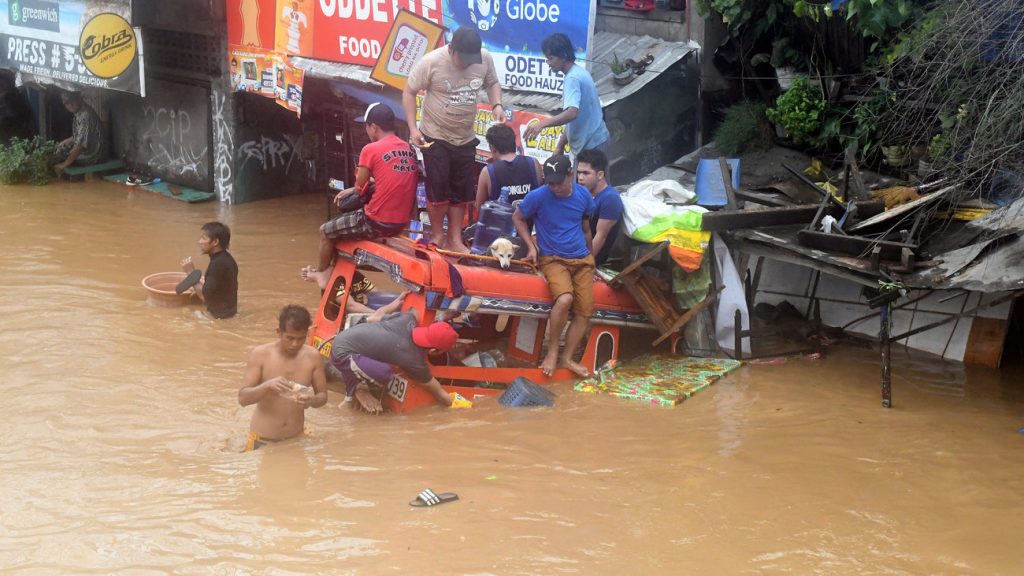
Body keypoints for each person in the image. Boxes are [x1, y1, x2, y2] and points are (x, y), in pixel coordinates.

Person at [301, 102, 418, 306]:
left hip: (374, 221)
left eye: (367, 127)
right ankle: (345, 283)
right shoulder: (408, 149)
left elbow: (360, 186)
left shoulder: (370, 149)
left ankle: (321, 273)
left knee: (325, 231)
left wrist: (355, 189)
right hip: (401, 223)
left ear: (373, 127)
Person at [403, 27, 503, 253]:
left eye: (471, 60)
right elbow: (408, 92)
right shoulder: (431, 62)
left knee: (461, 190)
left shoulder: (484, 58)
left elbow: (493, 83)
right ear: (451, 50)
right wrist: (412, 128)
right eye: (463, 59)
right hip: (435, 135)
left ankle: (455, 239)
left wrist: (496, 104)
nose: (467, 64)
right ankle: (438, 236)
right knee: (438, 188)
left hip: (465, 137)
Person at [513, 155, 595, 378]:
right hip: (553, 259)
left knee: (584, 313)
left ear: (570, 174)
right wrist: (531, 247)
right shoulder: (538, 196)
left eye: (558, 181)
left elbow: (586, 229)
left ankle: (567, 358)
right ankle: (552, 351)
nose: (554, 187)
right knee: (565, 299)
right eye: (550, 182)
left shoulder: (584, 196)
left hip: (582, 259)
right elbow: (518, 217)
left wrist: (592, 259)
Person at [329, 295, 472, 412]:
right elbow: (440, 394)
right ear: (434, 350)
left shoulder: (407, 319)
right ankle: (359, 389)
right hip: (342, 355)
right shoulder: (413, 359)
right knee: (385, 373)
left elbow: (374, 317)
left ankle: (351, 393)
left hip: (343, 337)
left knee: (370, 370)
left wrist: (395, 302)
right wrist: (465, 407)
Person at [238, 305, 327, 451]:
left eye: (301, 339)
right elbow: (242, 399)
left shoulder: (313, 357)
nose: (295, 344)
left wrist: (311, 401)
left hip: (296, 439)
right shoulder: (260, 355)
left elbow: (322, 396)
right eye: (290, 338)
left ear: (307, 334)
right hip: (262, 439)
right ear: (279, 332)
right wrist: (267, 386)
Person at [475, 123, 543, 213]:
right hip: (528, 225)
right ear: (513, 143)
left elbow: (480, 208)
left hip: (499, 225)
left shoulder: (487, 172)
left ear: (493, 148)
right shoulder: (534, 163)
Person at [575, 148, 623, 267]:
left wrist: (582, 264)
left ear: (600, 174)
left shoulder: (610, 198)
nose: (580, 177)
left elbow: (600, 237)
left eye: (586, 173)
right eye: (579, 172)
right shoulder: (584, 193)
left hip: (587, 258)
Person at [181, 221, 238, 319]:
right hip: (230, 312)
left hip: (219, 317)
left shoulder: (217, 264)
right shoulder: (227, 259)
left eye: (203, 238)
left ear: (215, 242)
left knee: (183, 313)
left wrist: (191, 273)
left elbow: (205, 297)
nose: (200, 242)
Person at [51, 92, 106, 172]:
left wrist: (64, 164)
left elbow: (79, 145)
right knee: (60, 151)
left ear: (78, 99)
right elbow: (76, 137)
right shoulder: (79, 113)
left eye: (72, 101)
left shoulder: (85, 115)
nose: (70, 105)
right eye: (67, 103)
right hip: (90, 149)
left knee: (62, 157)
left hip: (95, 154)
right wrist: (61, 144)